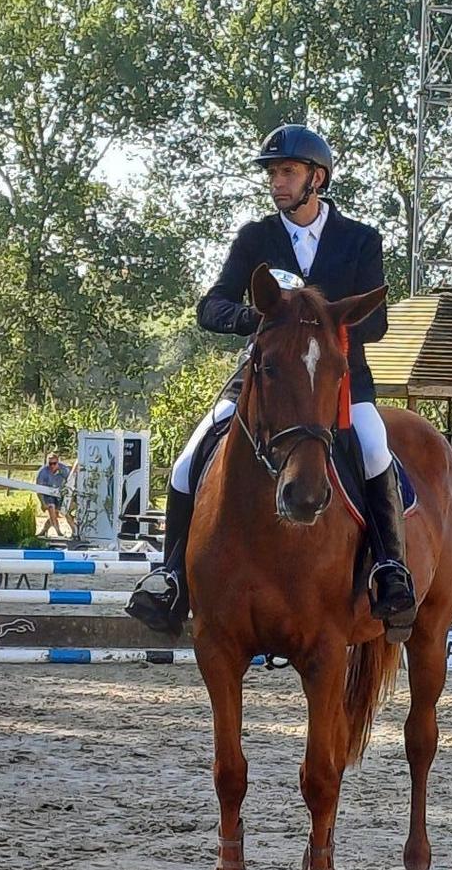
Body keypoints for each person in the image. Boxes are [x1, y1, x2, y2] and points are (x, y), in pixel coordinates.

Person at [128, 124, 416, 636]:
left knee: (373, 450)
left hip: (339, 382)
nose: (277, 182)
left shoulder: (359, 240)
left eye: (287, 172)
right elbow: (211, 306)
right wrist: (254, 320)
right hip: (265, 379)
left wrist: (318, 316)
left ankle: (390, 570)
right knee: (188, 458)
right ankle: (172, 576)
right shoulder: (255, 237)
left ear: (316, 178)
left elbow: (376, 322)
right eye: (273, 173)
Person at [36, 452, 77, 538]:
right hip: (48, 494)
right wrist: (43, 503)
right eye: (50, 464)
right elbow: (39, 490)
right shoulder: (43, 472)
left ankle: (44, 530)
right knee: (51, 507)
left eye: (54, 463)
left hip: (60, 494)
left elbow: (70, 482)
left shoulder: (64, 470)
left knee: (62, 511)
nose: (52, 466)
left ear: (58, 462)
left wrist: (70, 498)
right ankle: (58, 532)